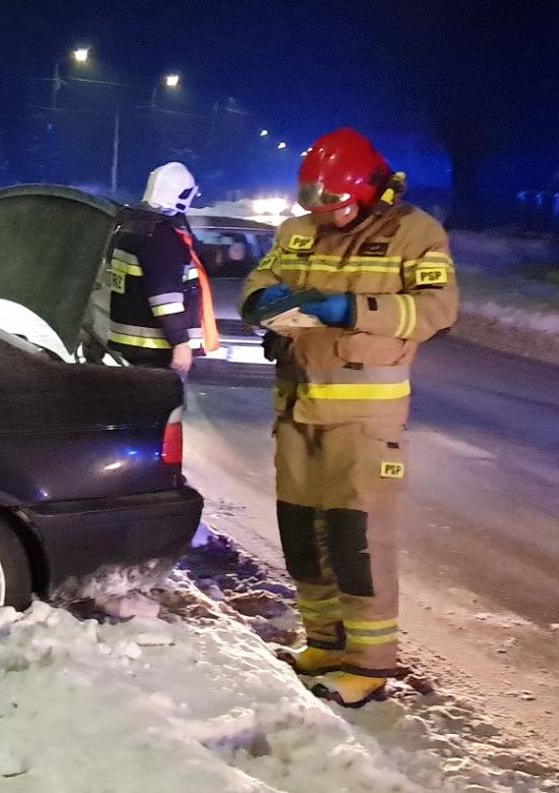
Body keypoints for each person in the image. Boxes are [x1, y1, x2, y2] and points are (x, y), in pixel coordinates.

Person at [241, 127, 459, 708]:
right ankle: (323, 644)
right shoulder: (297, 231)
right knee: (302, 535)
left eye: (333, 202)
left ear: (367, 190)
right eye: (313, 202)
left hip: (365, 418)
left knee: (355, 541)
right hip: (296, 407)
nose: (322, 213)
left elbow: (438, 308)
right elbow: (261, 279)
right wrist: (262, 302)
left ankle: (367, 664)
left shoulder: (414, 234)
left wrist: (351, 309)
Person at [106, 161, 215, 376]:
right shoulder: (161, 237)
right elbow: (165, 298)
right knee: (162, 398)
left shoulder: (131, 229)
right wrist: (180, 342)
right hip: (157, 348)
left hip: (133, 343)